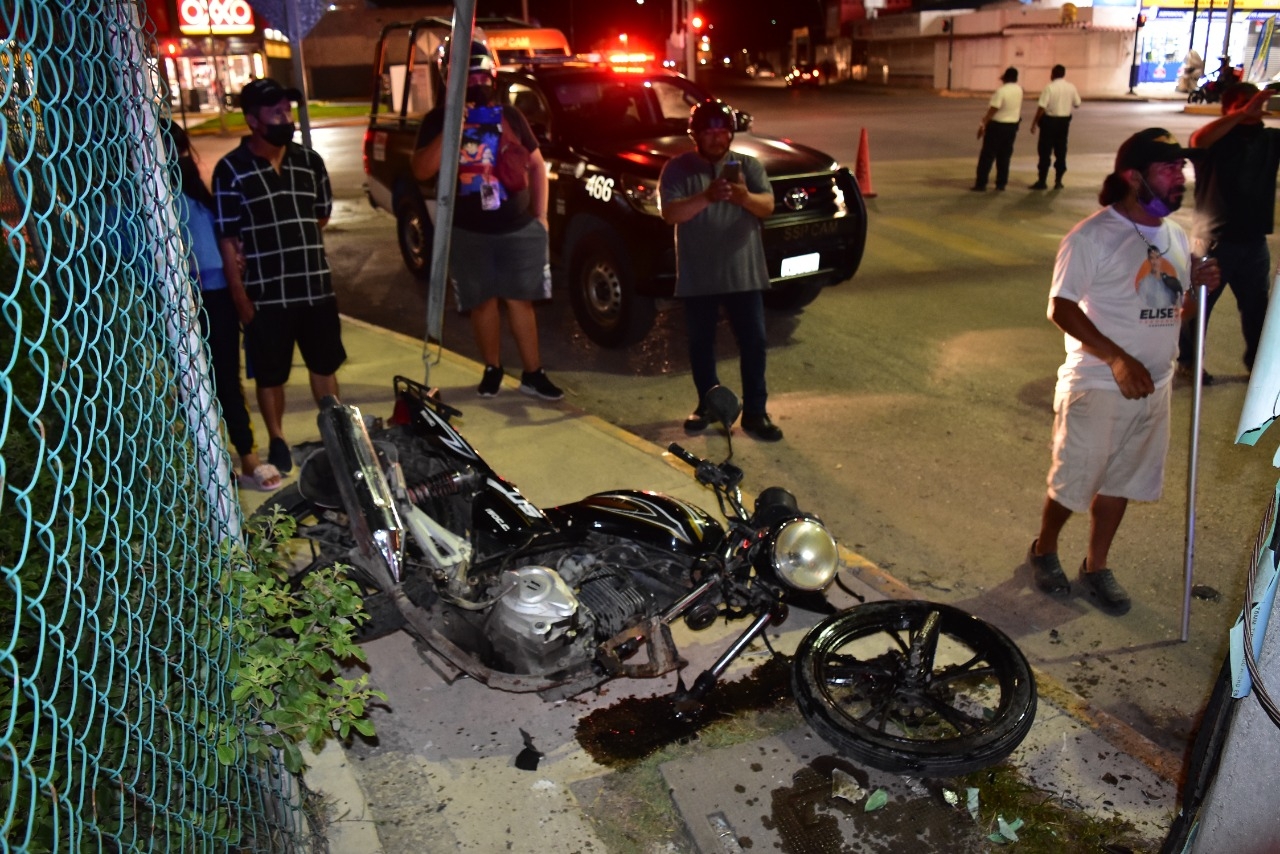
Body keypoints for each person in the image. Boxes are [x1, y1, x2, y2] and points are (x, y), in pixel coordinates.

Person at [1023, 128, 1220, 615]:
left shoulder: (1174, 235)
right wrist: (1115, 357)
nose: (1181, 177)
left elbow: (1176, 313)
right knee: (1075, 480)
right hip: (1098, 382)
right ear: (1134, 177)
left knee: (1124, 481)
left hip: (1154, 386)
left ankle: (1096, 564)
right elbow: (1061, 308)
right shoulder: (1091, 236)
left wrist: (1197, 289)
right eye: (1169, 168)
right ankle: (1045, 548)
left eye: (1182, 168)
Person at [410, 40, 562, 401]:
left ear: (492, 74)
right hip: (469, 232)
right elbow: (421, 170)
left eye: (481, 73)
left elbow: (538, 165)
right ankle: (492, 369)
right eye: (467, 74)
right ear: (450, 78)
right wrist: (453, 128)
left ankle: (533, 373)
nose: (475, 80)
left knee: (520, 300)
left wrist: (541, 217)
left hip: (517, 226)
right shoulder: (438, 119)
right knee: (482, 303)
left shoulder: (510, 116)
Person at [212, 77, 345, 475]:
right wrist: (239, 295)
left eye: (287, 111)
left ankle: (337, 436)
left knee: (325, 366)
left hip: (315, 287)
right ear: (253, 120)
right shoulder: (231, 170)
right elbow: (228, 237)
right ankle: (278, 438)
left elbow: (320, 214)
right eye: (276, 113)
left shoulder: (310, 161)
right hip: (266, 295)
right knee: (271, 374)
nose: (285, 119)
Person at [165, 121, 281, 491]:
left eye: (182, 151)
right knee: (192, 382)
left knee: (223, 377)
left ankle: (245, 455)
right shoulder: (153, 202)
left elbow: (221, 249)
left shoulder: (198, 199)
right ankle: (216, 458)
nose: (182, 159)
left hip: (213, 297)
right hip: (182, 299)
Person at [658, 99, 782, 442]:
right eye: (710, 132)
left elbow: (768, 206)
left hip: (744, 272)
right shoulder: (677, 169)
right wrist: (709, 196)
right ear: (695, 134)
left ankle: (756, 412)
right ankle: (708, 404)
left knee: (754, 342)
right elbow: (671, 213)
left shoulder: (749, 166)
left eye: (723, 131)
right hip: (699, 274)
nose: (718, 138)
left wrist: (742, 196)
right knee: (701, 343)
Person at [1175, 82, 1280, 384]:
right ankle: (1189, 363)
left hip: (1253, 240)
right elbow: (1199, 138)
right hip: (1213, 238)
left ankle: (1257, 364)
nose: (1257, 107)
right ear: (1231, 107)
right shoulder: (1217, 140)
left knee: (1256, 307)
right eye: (1249, 102)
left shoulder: (1270, 139)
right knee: (1199, 303)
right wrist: (1241, 114)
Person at [1029, 65, 1081, 190]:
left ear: (1052, 74)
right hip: (1063, 123)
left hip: (1049, 122)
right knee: (1061, 151)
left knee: (1045, 152)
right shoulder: (1071, 87)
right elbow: (1077, 104)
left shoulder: (1049, 87)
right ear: (1064, 74)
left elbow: (1042, 106)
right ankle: (1058, 181)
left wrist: (1034, 123)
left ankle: (1042, 181)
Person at [971, 67, 1023, 192]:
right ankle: (1001, 183)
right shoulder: (1019, 89)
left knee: (987, 155)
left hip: (997, 126)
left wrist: (983, 125)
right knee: (1004, 156)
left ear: (1005, 78)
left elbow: (993, 109)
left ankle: (981, 183)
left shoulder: (1001, 91)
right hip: (1012, 126)